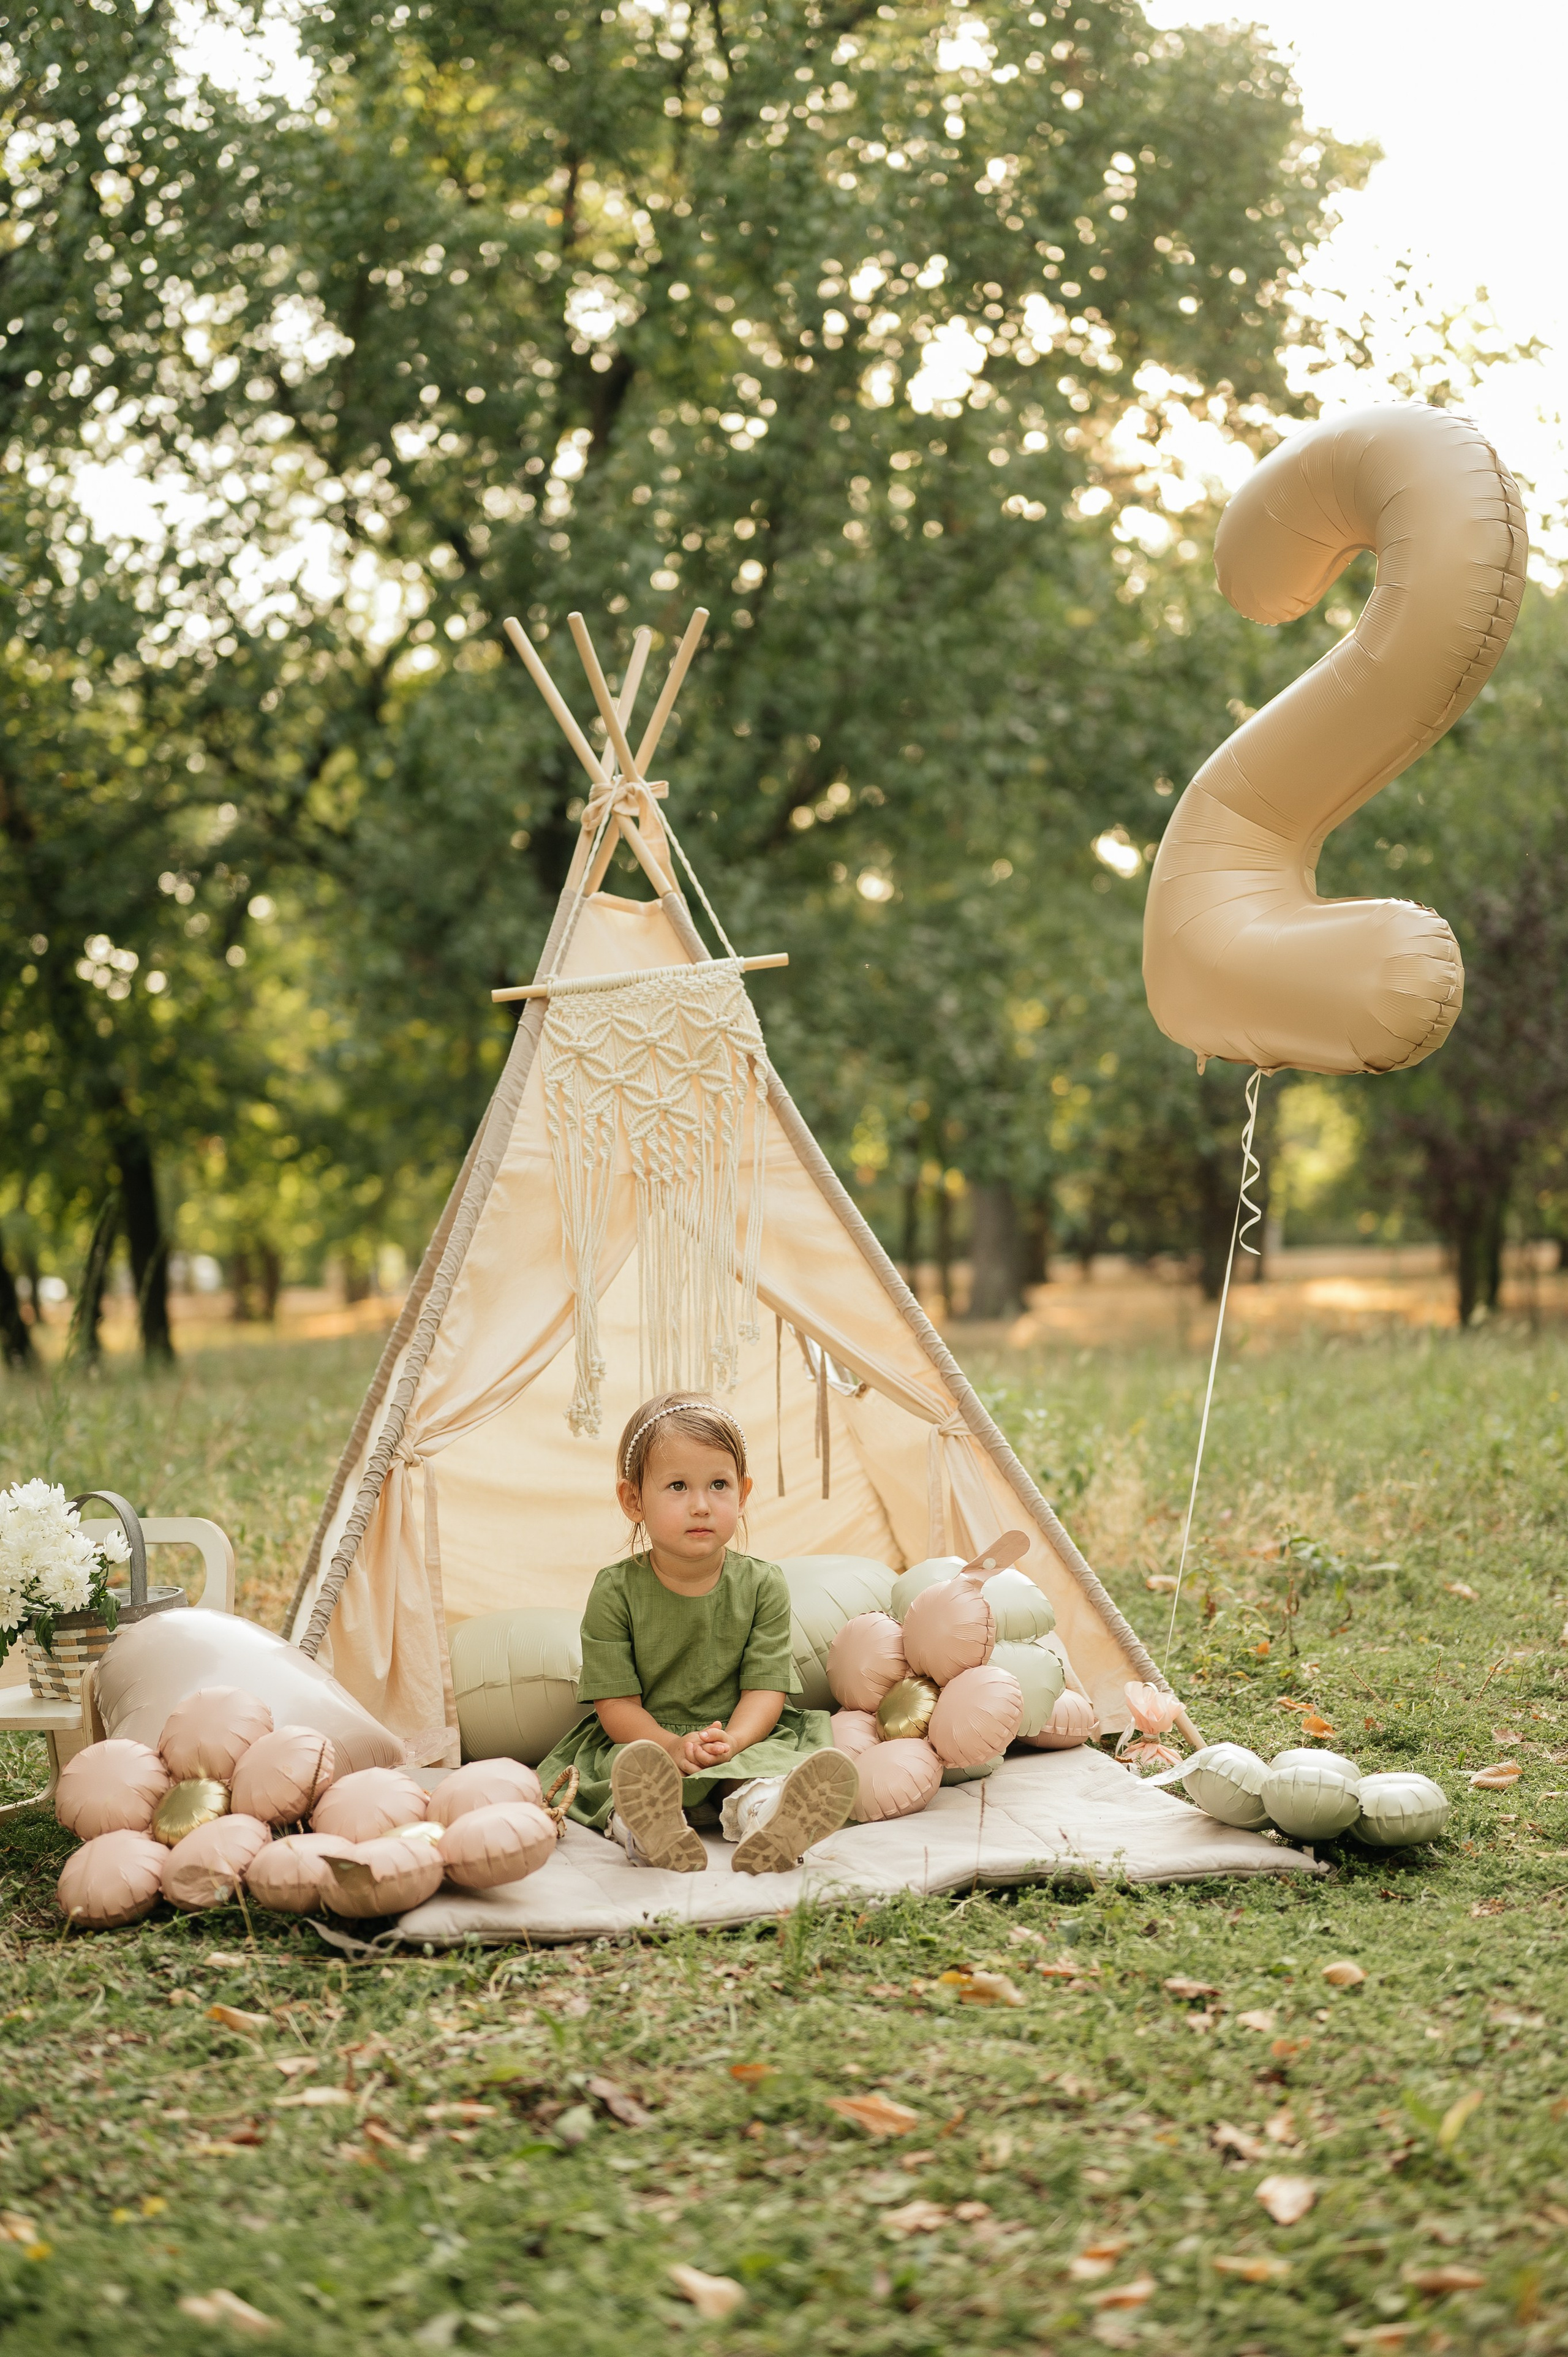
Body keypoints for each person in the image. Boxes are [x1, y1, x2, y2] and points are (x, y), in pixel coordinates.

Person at [536, 1392, 858, 1873]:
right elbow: (616, 1706)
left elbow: (765, 1689)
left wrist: (735, 1740)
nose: (702, 1505)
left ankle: (771, 1820)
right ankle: (651, 1832)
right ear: (633, 1500)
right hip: (645, 1739)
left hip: (740, 1733)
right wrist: (668, 1745)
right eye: (678, 1486)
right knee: (628, 1781)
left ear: (743, 1494)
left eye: (719, 1485)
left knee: (764, 1772)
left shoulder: (763, 1585)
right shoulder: (615, 1591)